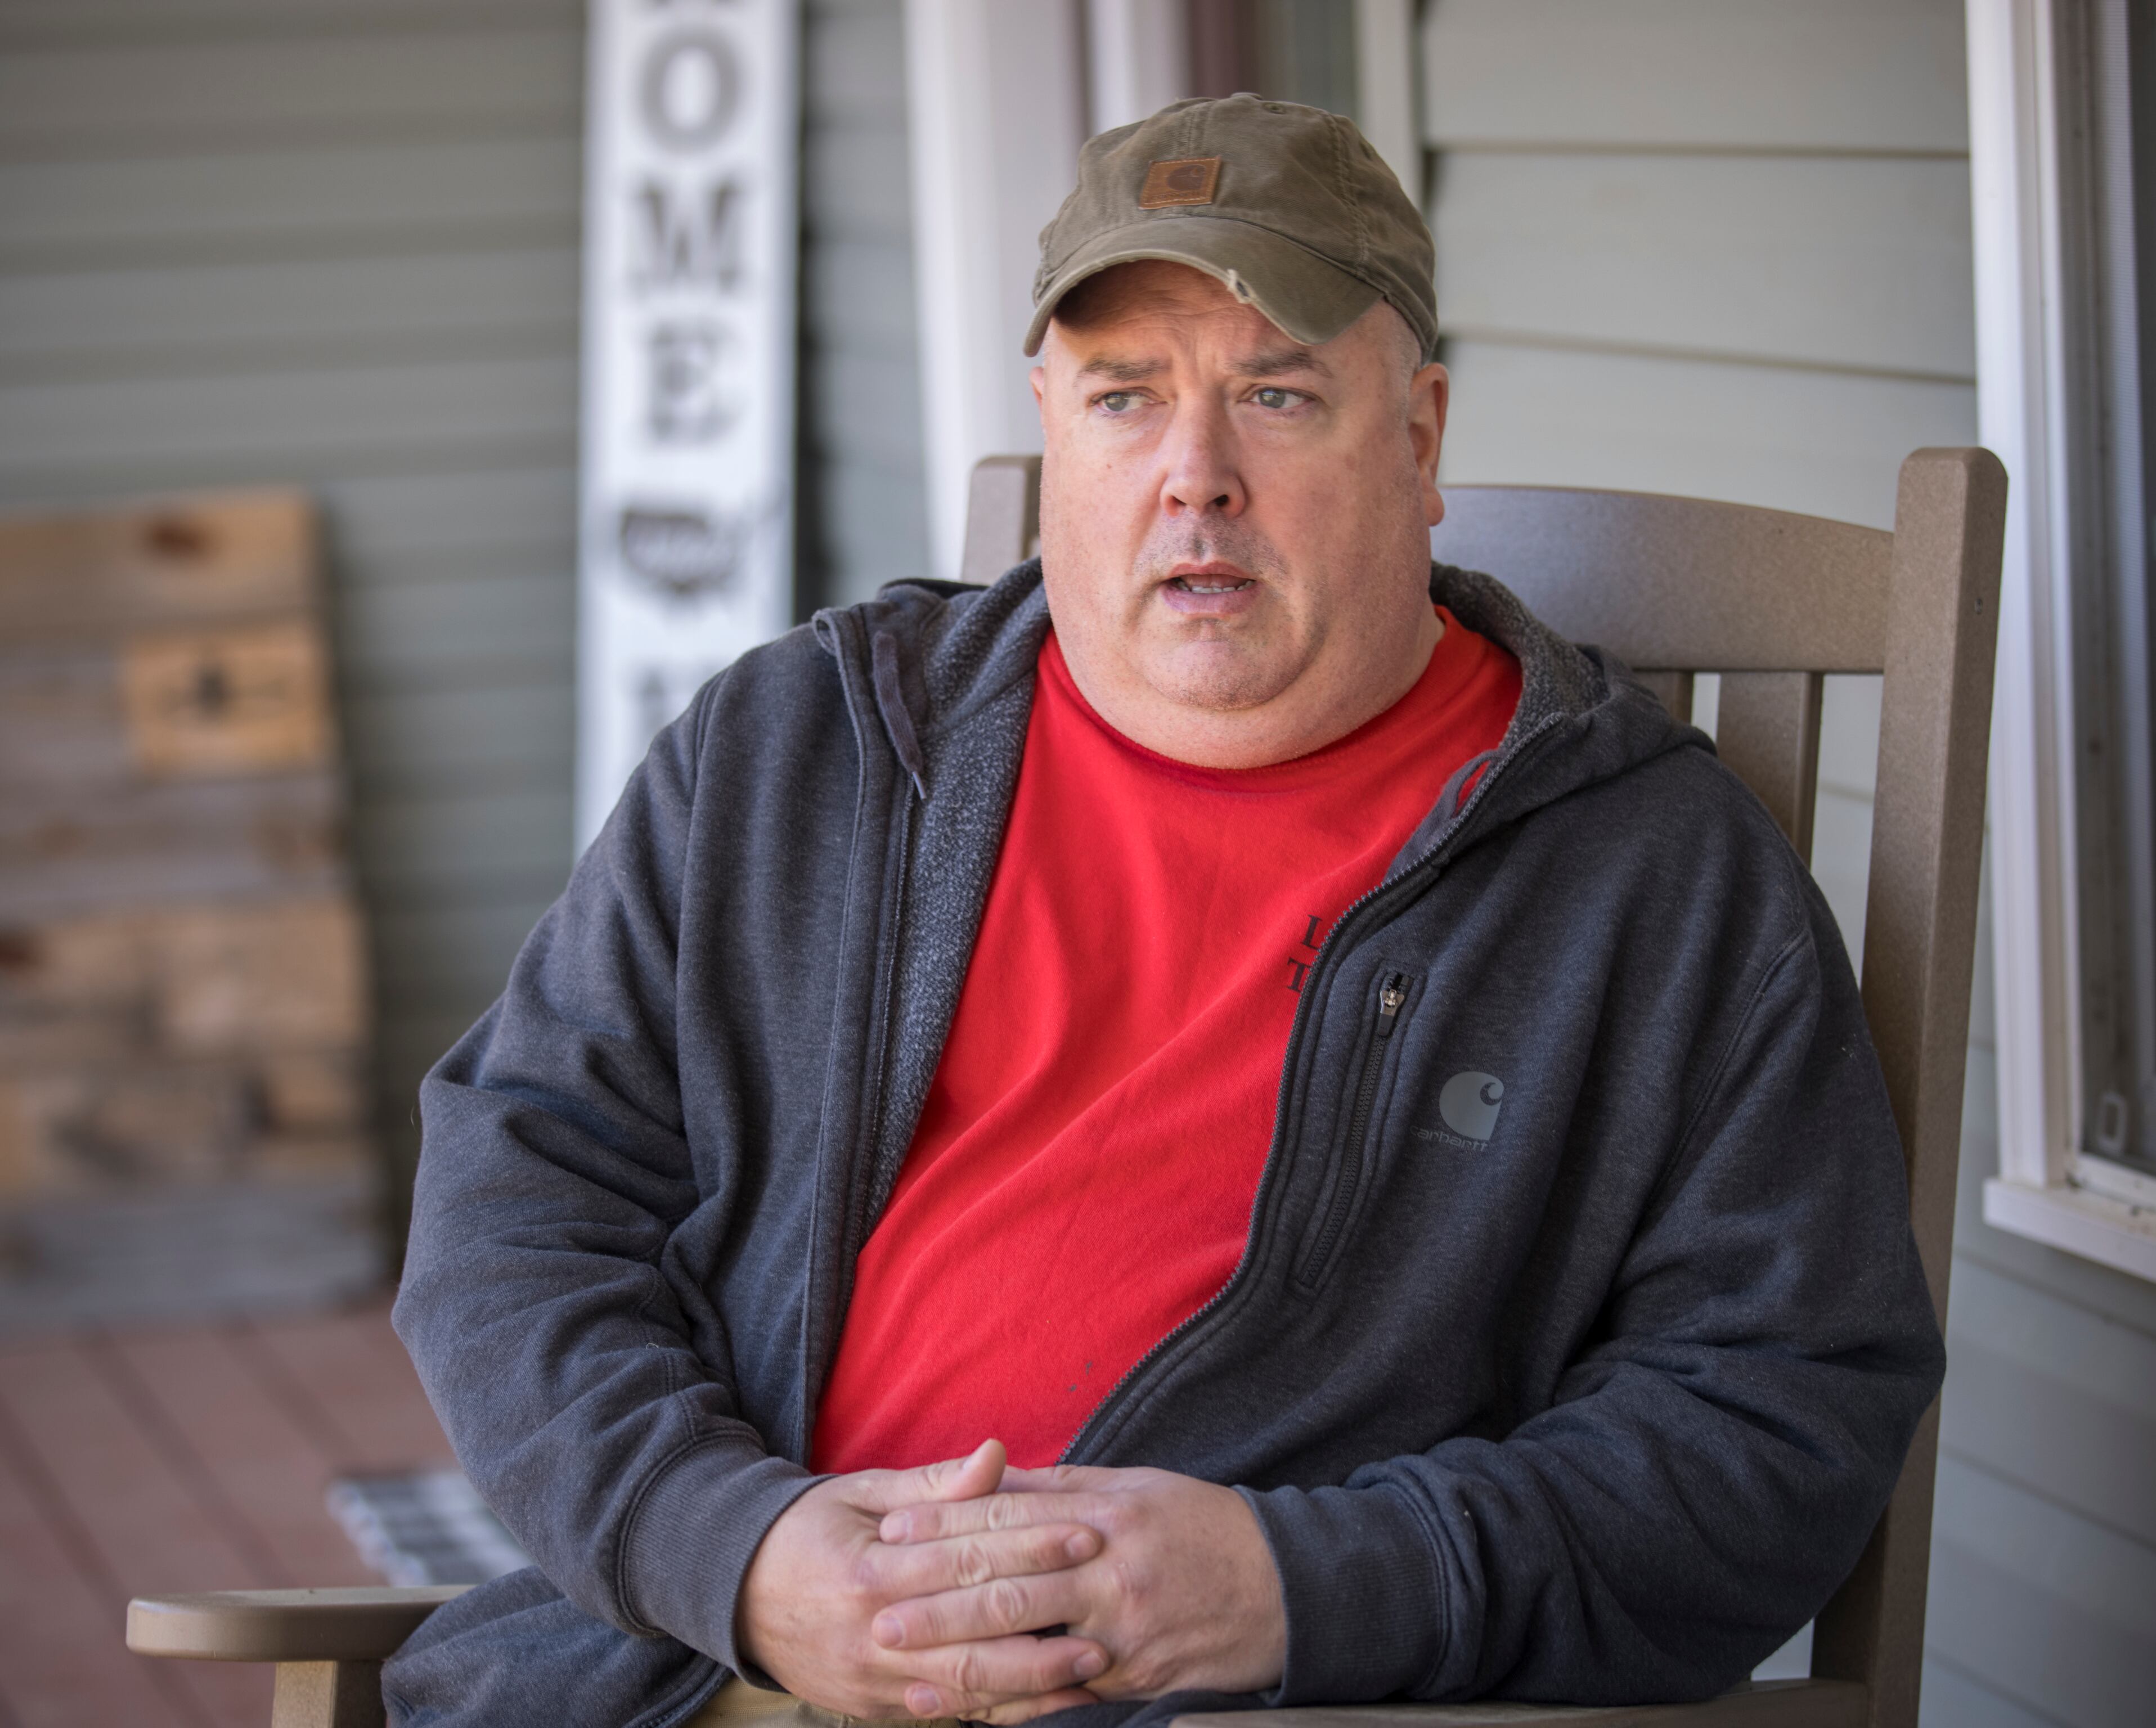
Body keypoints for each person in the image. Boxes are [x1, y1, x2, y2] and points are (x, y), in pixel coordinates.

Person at [385, 96, 1943, 1728]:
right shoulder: (805, 755)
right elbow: (522, 1187)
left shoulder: (1651, 882)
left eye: (1277, 396)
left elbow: (1780, 1407)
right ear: (1055, 432)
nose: (1195, 481)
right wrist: (738, 1551)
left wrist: (1301, 1587)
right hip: (705, 1675)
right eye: (1127, 400)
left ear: (1418, 440)